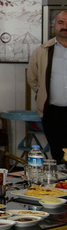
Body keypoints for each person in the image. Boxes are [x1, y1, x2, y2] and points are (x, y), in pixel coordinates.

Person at [27, 9, 67, 163]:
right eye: (61, 22)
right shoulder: (42, 50)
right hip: (53, 112)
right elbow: (32, 77)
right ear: (53, 25)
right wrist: (43, 93)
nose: (64, 26)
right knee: (58, 153)